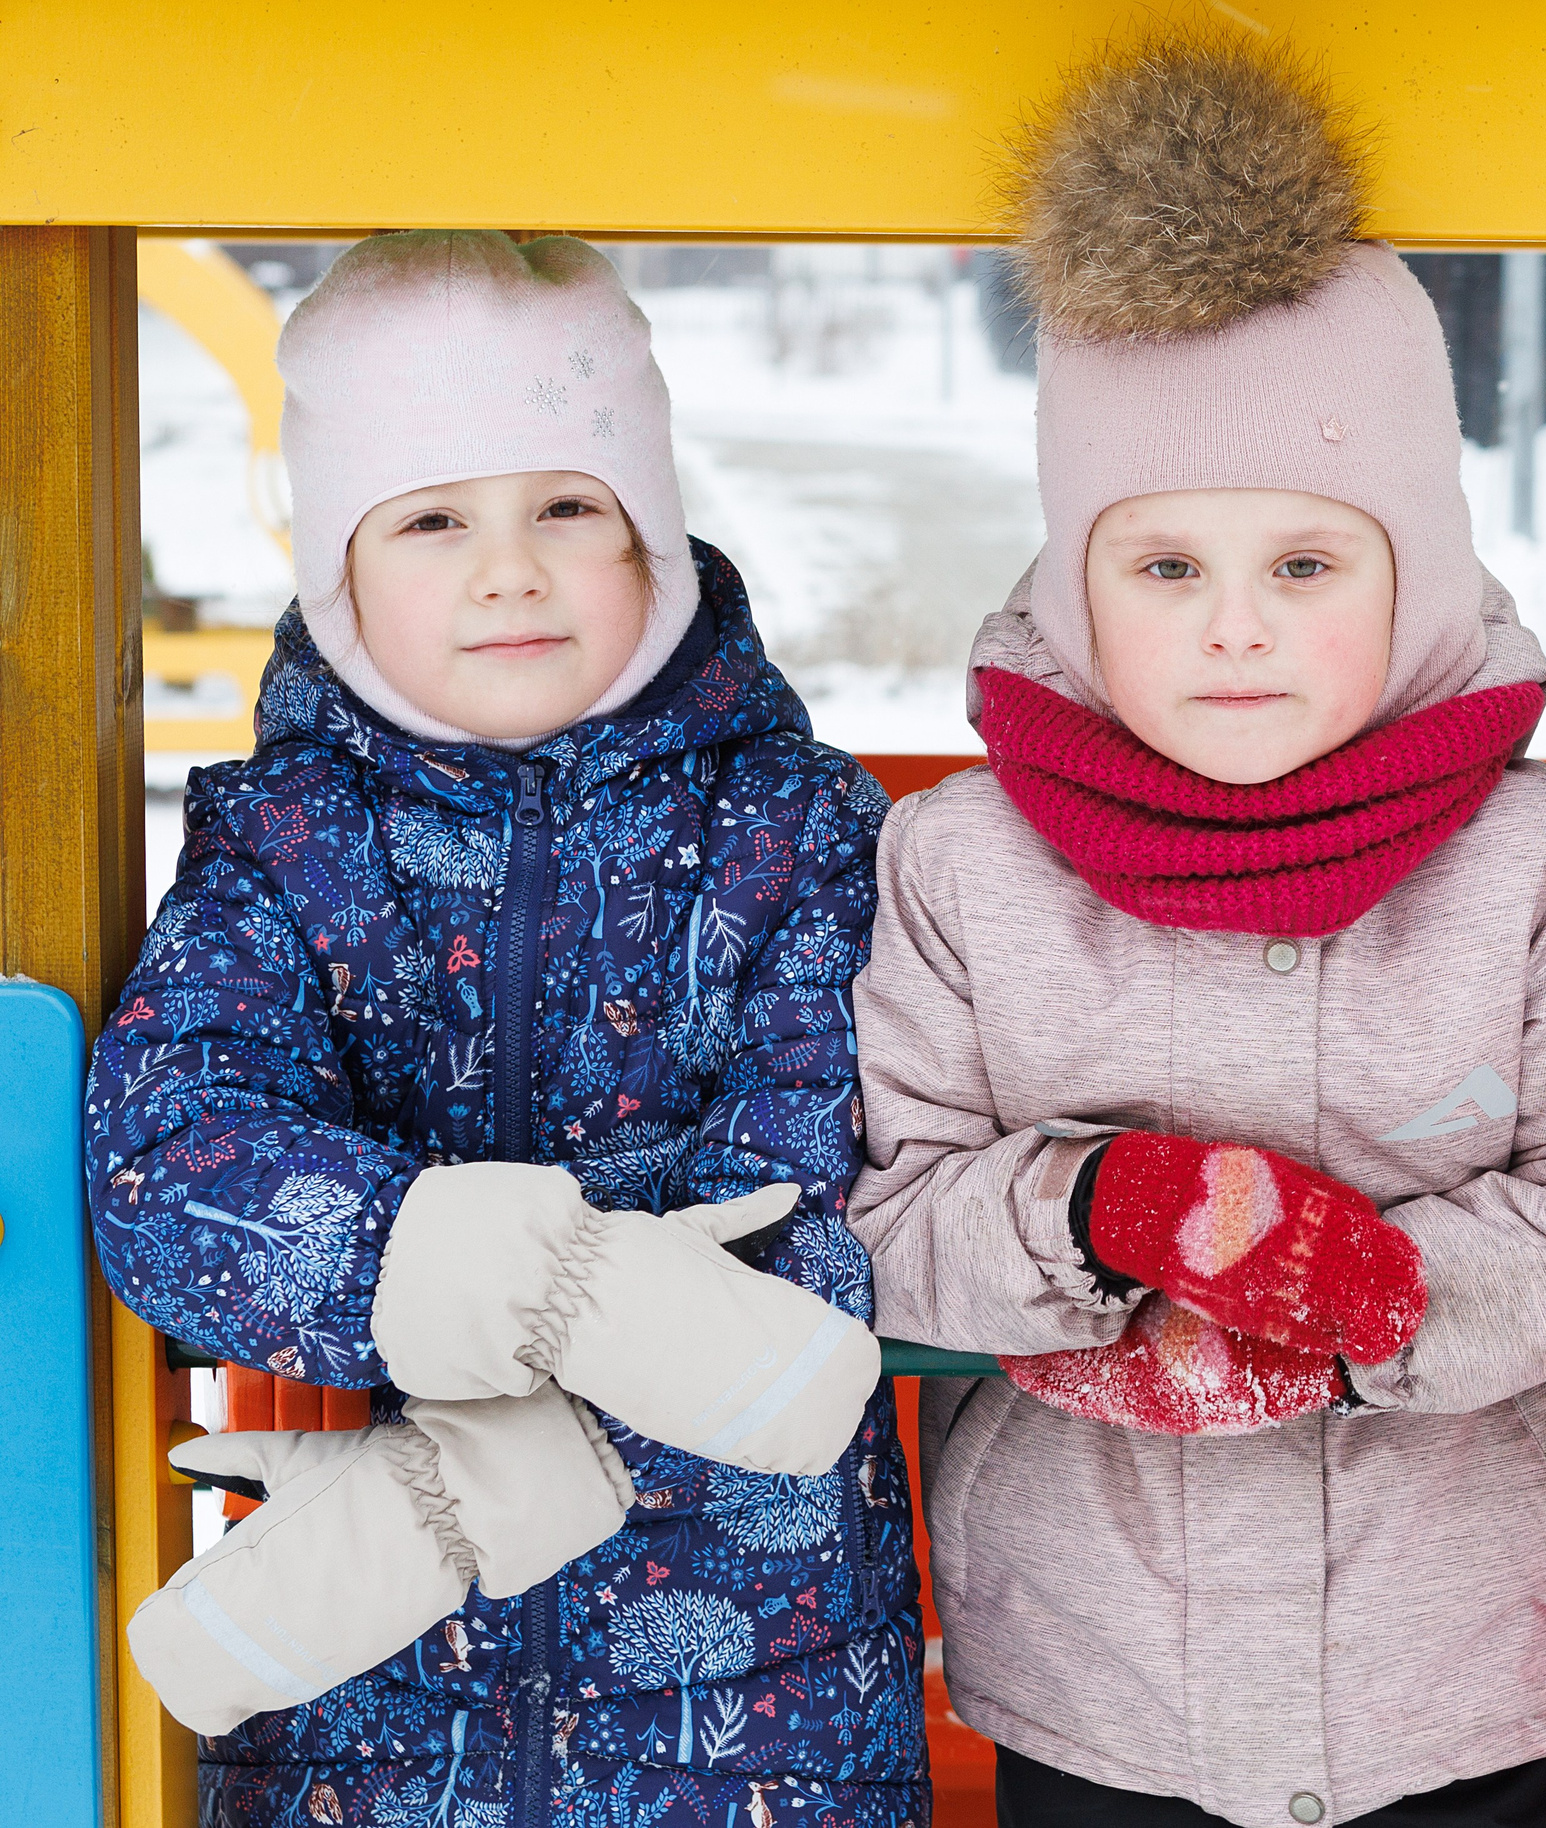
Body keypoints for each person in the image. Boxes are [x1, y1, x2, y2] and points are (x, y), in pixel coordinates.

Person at [845, 37, 1546, 1828]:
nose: (1235, 629)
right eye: (1166, 570)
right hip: (1098, 1680)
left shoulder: (1538, 868)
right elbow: (882, 1216)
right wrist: (1088, 1212)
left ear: (1419, 573)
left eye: (1306, 567)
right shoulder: (963, 871)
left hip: (1469, 1670)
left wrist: (1381, 1307)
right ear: (1078, 582)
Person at [87, 232, 924, 1827]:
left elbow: (815, 1230)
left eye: (566, 505)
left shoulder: (797, 831)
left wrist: (478, 1481)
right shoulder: (290, 845)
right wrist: (521, 1287)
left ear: (652, 538)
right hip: (382, 1708)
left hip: (754, 1698)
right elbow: (170, 1163)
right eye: (431, 519)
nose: (508, 569)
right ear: (339, 571)